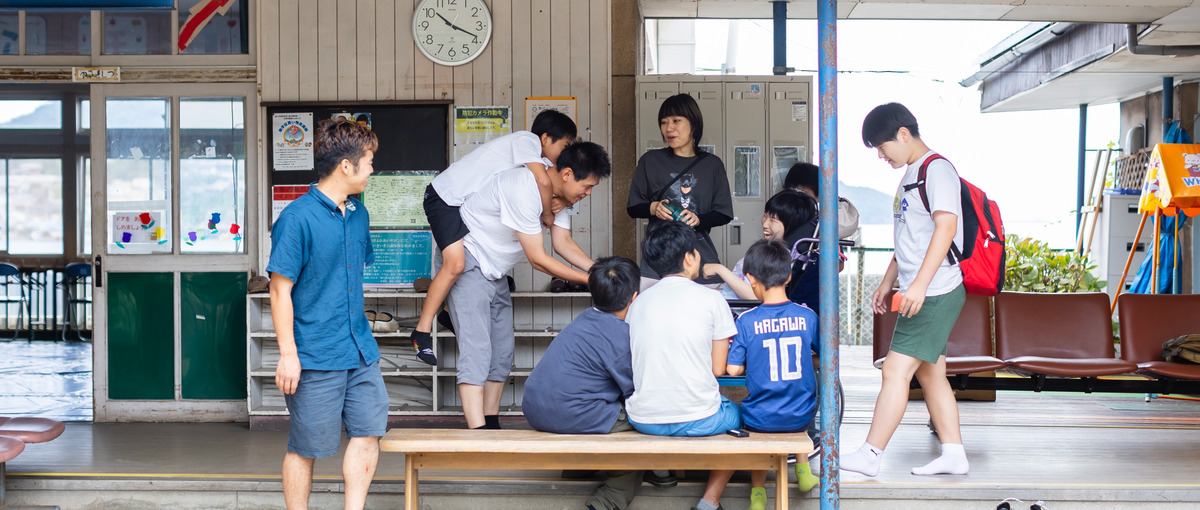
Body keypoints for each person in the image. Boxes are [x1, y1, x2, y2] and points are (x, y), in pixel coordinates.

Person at [266, 118, 387, 510]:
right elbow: (279, 289)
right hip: (315, 354)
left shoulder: (359, 215)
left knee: (368, 433)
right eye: (368, 161)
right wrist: (288, 354)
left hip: (360, 350)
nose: (372, 169)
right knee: (307, 447)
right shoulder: (296, 219)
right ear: (346, 166)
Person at [842, 102, 968, 477]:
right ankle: (954, 454)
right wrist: (887, 282)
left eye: (882, 148)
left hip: (935, 291)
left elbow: (946, 228)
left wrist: (919, 286)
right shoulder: (912, 174)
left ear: (903, 134)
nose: (881, 156)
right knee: (931, 375)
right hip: (928, 288)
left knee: (894, 371)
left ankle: (870, 454)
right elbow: (910, 240)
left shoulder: (937, 170)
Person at [448, 141, 610, 430]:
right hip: (469, 259)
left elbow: (563, 244)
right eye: (587, 186)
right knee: (478, 348)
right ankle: (477, 432)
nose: (587, 194)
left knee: (503, 350)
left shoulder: (559, 199)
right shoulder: (524, 187)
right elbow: (538, 259)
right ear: (567, 174)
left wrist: (600, 271)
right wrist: (590, 280)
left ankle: (490, 421)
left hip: (495, 270)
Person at [411, 110, 577, 366]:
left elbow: (546, 184)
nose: (567, 153)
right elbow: (543, 183)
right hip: (444, 198)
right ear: (545, 138)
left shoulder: (539, 161)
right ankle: (421, 331)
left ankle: (445, 314)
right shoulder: (526, 141)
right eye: (565, 145)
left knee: (468, 268)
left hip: (461, 204)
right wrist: (547, 212)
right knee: (455, 264)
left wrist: (563, 199)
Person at [697, 239, 821, 510]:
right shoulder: (807, 316)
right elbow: (822, 355)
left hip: (759, 418)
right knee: (796, 399)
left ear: (750, 279)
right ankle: (803, 474)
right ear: (789, 276)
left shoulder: (746, 320)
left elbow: (732, 369)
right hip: (801, 414)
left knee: (753, 418)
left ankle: (757, 494)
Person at [624, 221, 740, 510]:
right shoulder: (712, 299)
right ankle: (709, 501)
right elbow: (717, 369)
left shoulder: (638, 303)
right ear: (689, 258)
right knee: (742, 416)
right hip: (700, 419)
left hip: (644, 419)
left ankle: (661, 469)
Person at [522, 256, 642, 510]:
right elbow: (635, 391)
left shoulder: (583, 320)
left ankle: (578, 469)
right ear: (634, 297)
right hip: (572, 414)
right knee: (642, 428)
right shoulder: (621, 335)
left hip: (535, 409)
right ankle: (606, 502)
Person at [627, 93, 734, 290]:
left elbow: (723, 213)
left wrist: (699, 219)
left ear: (693, 123)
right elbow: (633, 207)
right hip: (656, 262)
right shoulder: (650, 161)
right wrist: (653, 208)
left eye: (676, 120)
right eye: (664, 122)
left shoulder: (712, 165)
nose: (669, 128)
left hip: (698, 258)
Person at [703, 189, 817, 300]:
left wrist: (720, 270)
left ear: (791, 225)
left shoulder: (779, 257)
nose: (765, 224)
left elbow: (756, 296)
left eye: (773, 220)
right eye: (765, 215)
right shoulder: (769, 250)